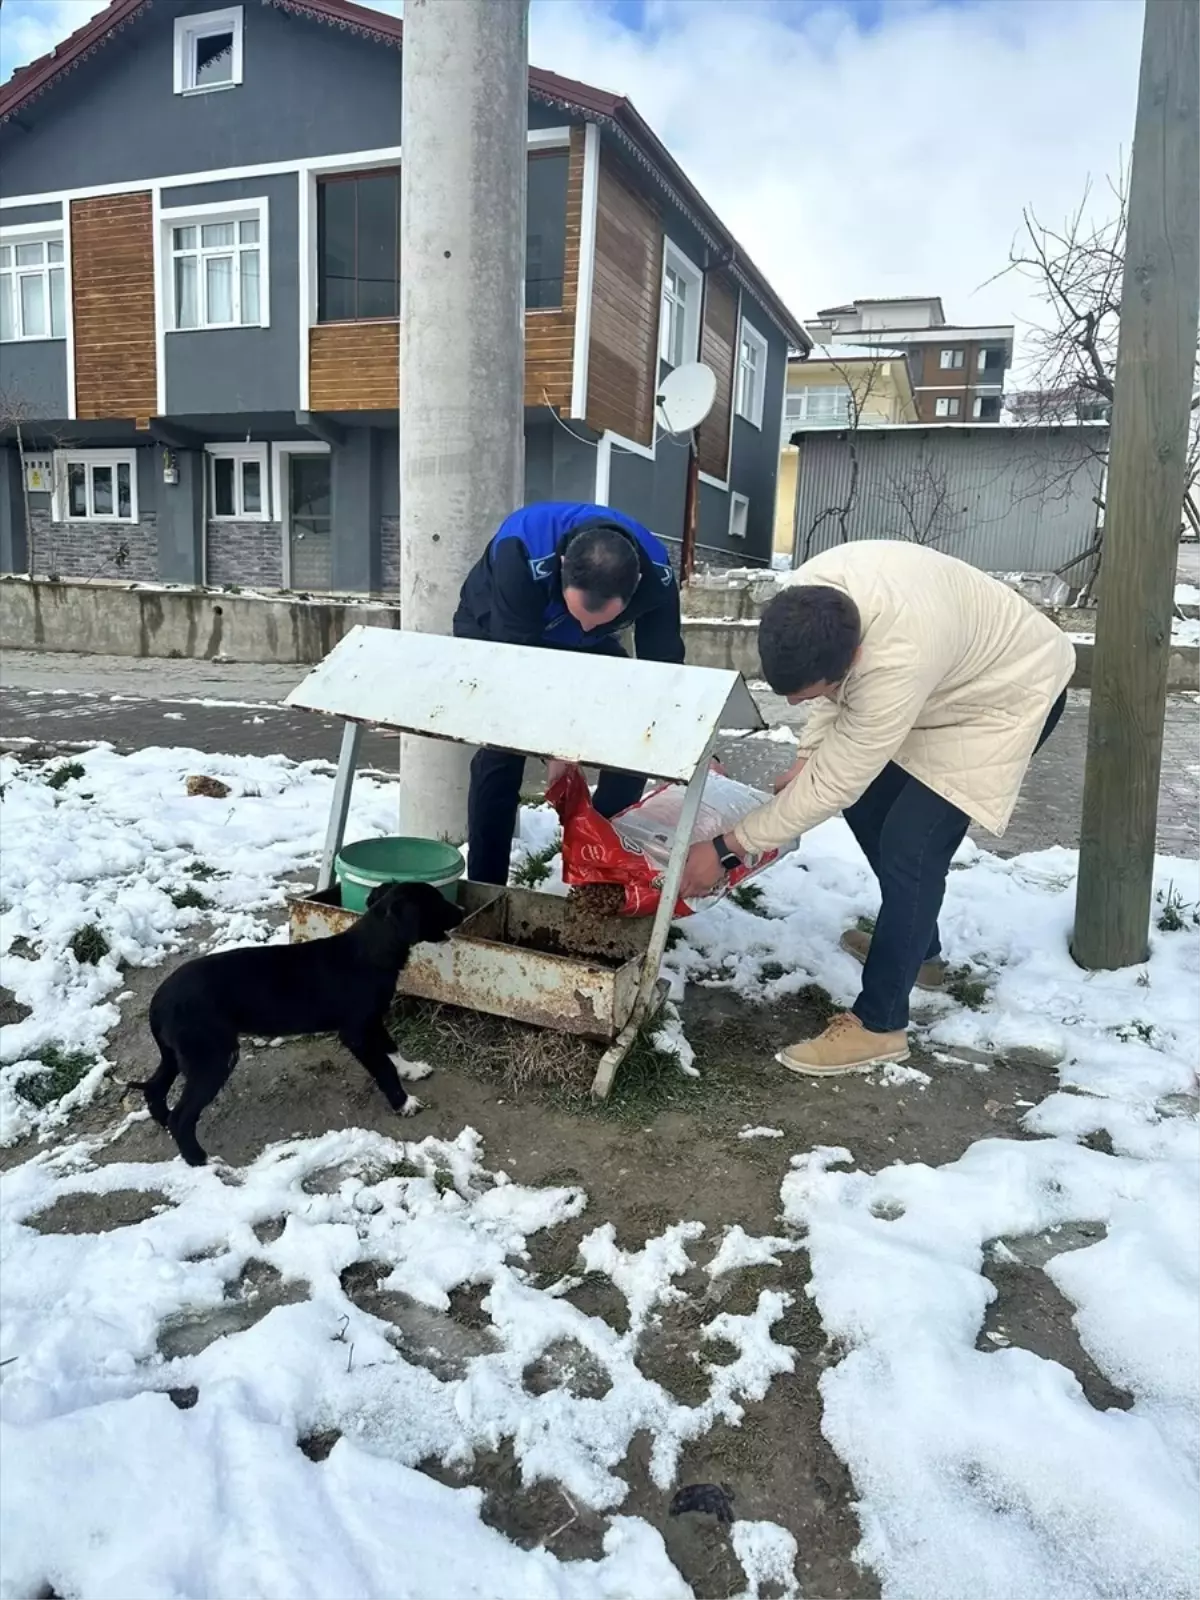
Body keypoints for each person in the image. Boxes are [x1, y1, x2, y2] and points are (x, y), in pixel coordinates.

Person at [680, 541, 1074, 1077]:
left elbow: (835, 782)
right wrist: (806, 755)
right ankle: (917, 952)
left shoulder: (894, 664)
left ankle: (879, 1025)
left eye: (807, 693)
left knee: (912, 847)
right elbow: (829, 700)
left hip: (1006, 693)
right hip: (945, 675)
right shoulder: (813, 597)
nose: (795, 706)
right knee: (872, 812)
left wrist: (727, 848)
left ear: (855, 660)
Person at [453, 501, 685, 885]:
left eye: (600, 619)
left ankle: (603, 870)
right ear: (561, 565)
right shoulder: (522, 549)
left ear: (637, 585)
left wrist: (677, 747)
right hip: (502, 628)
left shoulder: (658, 577)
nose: (586, 624)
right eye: (581, 613)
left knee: (633, 740)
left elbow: (663, 671)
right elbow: (519, 671)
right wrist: (554, 746)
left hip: (579, 644)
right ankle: (486, 885)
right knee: (501, 751)